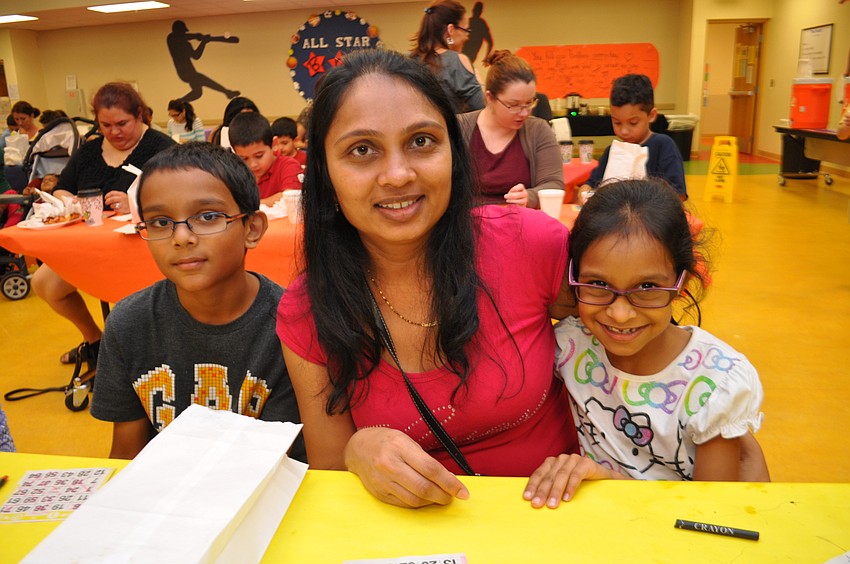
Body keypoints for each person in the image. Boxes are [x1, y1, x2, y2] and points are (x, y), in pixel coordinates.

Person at [277, 49, 579, 509]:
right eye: (362, 150)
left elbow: (640, 365)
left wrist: (611, 468)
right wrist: (356, 451)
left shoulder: (533, 244)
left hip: (562, 518)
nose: (398, 175)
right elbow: (331, 472)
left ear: (453, 154)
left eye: (421, 141)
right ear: (324, 173)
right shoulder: (308, 308)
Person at [523, 179, 765, 509]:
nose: (620, 314)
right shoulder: (570, 345)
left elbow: (712, 512)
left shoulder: (717, 382)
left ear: (682, 283)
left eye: (647, 286)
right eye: (597, 284)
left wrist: (610, 482)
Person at [91, 143, 304, 461]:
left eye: (207, 216)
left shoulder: (293, 326)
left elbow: (293, 461)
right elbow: (125, 456)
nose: (181, 237)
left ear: (252, 228)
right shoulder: (128, 324)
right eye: (161, 222)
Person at [32, 82, 175, 367]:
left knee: (129, 299)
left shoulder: (162, 148)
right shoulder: (89, 151)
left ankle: (140, 354)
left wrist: (137, 203)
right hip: (91, 247)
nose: (114, 132)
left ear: (140, 116)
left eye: (122, 123)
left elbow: (179, 198)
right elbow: (62, 188)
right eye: (105, 125)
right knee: (44, 283)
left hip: (143, 250)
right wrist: (74, 203)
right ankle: (96, 341)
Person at [457, 50, 563, 208]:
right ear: (490, 98)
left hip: (519, 222)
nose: (524, 112)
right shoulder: (459, 127)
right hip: (467, 222)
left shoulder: (538, 130)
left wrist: (529, 197)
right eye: (513, 105)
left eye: (529, 103)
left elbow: (554, 184)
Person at [579, 74, 687, 201]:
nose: (624, 131)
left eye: (633, 123)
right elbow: (590, 185)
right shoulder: (612, 151)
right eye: (617, 123)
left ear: (651, 115)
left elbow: (679, 195)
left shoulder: (663, 145)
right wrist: (584, 194)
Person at [411, 0, 484, 113]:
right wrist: (479, 81)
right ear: (451, 29)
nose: (466, 37)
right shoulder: (456, 60)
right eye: (466, 30)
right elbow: (482, 108)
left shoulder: (410, 60)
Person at [229, 112, 301, 205]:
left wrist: (250, 207)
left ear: (274, 144)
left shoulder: (288, 166)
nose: (253, 164)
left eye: (259, 156)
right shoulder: (237, 173)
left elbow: (290, 198)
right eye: (244, 159)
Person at [167, 20, 240, 102]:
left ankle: (179, 102)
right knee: (203, 79)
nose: (184, 33)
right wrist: (197, 37)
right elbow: (181, 37)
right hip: (184, 72)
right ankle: (227, 92)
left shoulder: (186, 44)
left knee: (197, 93)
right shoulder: (171, 39)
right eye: (183, 31)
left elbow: (196, 56)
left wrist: (203, 42)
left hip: (190, 70)